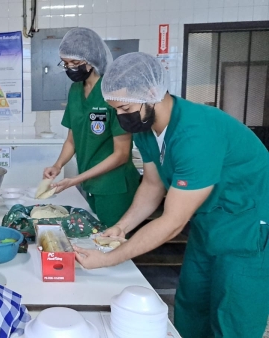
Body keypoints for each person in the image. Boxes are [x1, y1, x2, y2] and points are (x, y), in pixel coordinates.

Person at [74, 52, 269, 338]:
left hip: (246, 225)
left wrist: (106, 259)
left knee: (233, 316)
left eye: (125, 107)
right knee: (191, 304)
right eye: (115, 110)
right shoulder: (145, 127)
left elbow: (172, 223)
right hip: (208, 223)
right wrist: (121, 227)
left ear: (152, 92)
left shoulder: (196, 132)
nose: (121, 117)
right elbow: (153, 186)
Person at [43, 27, 140, 227]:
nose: (70, 68)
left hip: (114, 186)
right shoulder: (75, 90)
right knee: (95, 239)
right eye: (66, 63)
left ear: (92, 59)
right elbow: (72, 138)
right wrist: (57, 165)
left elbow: (121, 154)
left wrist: (76, 179)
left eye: (76, 63)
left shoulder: (114, 91)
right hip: (90, 183)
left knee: (113, 243)